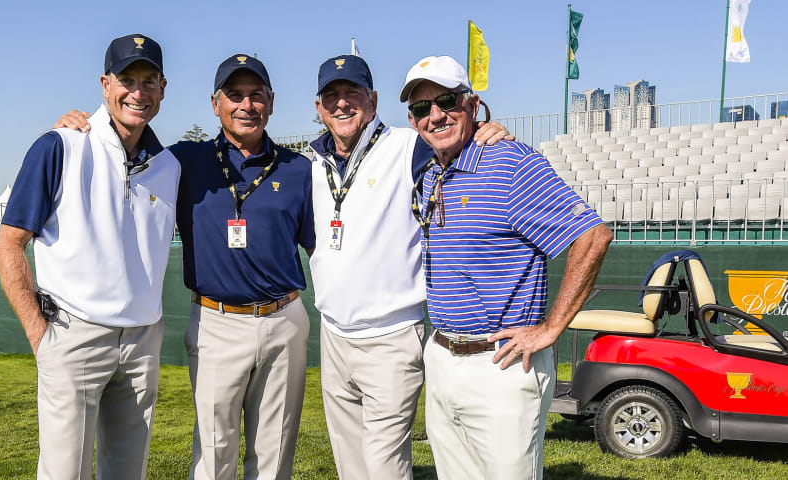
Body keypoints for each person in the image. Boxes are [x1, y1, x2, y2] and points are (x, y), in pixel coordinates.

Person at [53, 54, 314, 480]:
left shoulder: (299, 168)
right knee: (215, 450)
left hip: (284, 319)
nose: (246, 105)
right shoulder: (181, 162)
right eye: (234, 96)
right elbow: (123, 151)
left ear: (271, 102)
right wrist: (80, 126)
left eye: (256, 95)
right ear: (215, 104)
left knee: (275, 450)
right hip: (216, 321)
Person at [400, 55, 613, 480]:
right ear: (412, 119)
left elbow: (593, 236)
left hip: (501, 364)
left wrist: (551, 328)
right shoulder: (428, 174)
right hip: (442, 358)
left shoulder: (512, 163)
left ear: (472, 105)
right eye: (423, 108)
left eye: (446, 101)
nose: (436, 116)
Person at [308, 54, 510, 480]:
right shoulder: (311, 162)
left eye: (352, 94)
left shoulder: (406, 144)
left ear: (373, 100)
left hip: (390, 337)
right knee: (350, 463)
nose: (342, 104)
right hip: (334, 334)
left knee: (383, 464)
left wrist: (488, 129)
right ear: (318, 108)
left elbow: (454, 141)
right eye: (332, 97)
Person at [0, 34, 179, 480]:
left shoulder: (170, 166)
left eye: (148, 80)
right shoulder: (61, 145)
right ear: (104, 84)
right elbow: (8, 243)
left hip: (141, 340)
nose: (137, 92)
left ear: (163, 88)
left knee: (126, 472)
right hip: (73, 334)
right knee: (64, 473)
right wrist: (41, 338)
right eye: (126, 80)